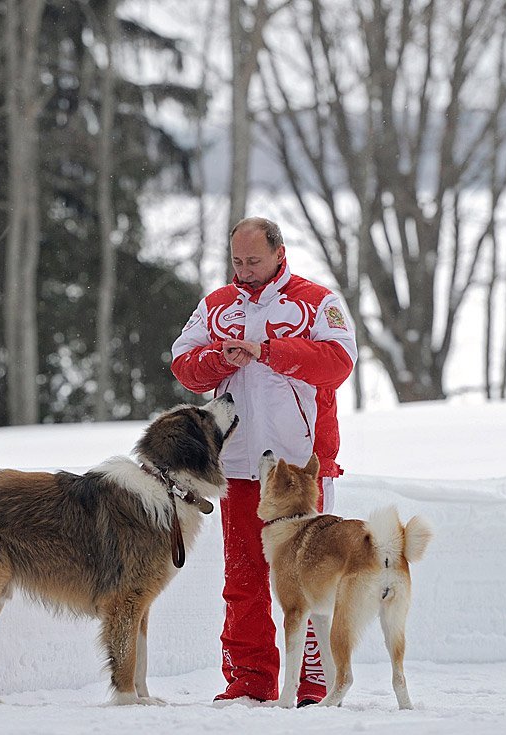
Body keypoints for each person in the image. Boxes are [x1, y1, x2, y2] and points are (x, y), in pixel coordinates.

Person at [170, 216, 357, 705]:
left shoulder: (318, 301)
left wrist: (269, 351)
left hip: (301, 470)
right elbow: (184, 364)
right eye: (237, 261)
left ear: (279, 253)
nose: (245, 269)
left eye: (254, 260)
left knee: (312, 575)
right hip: (236, 465)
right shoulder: (216, 305)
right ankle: (249, 681)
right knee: (243, 578)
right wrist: (220, 360)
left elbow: (338, 363)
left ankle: (315, 681)